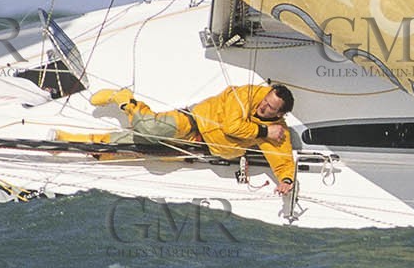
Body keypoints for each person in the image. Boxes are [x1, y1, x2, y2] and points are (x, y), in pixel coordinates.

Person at [63, 82, 298, 194]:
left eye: (269, 109)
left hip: (199, 148)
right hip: (194, 120)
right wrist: (264, 132)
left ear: (280, 114)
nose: (262, 107)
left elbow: (283, 158)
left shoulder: (278, 129)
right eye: (265, 101)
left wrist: (286, 180)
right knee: (148, 129)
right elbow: (231, 126)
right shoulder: (247, 94)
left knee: (135, 146)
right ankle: (125, 100)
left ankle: (70, 140)